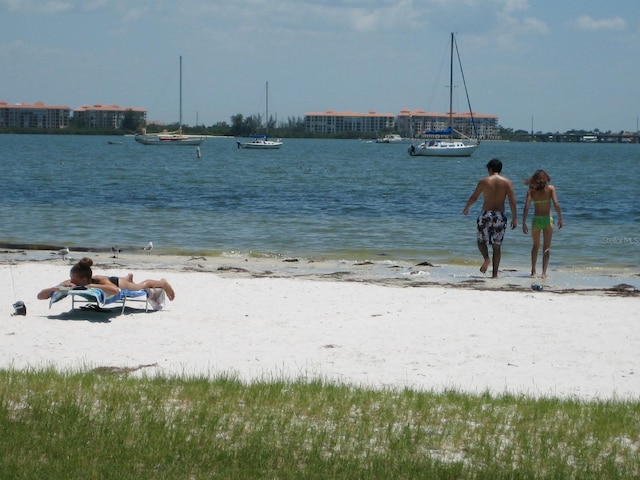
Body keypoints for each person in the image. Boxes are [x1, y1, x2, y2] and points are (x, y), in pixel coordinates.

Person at [462, 158, 517, 278]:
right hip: (500, 216)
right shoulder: (507, 182)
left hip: (486, 214)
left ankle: (486, 259)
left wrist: (467, 208)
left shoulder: (484, 181)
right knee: (497, 246)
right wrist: (514, 218)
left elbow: (474, 197)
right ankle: (495, 275)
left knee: (481, 241)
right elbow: (512, 201)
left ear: (490, 169)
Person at [37, 257, 176, 301]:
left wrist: (92, 287)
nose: (71, 281)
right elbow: (40, 296)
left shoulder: (98, 282)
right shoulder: (71, 282)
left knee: (141, 285)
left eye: (74, 279)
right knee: (127, 280)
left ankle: (162, 283)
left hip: (117, 283)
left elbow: (115, 290)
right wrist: (53, 289)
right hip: (109, 280)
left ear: (84, 280)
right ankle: (128, 277)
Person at [522, 169, 563, 279]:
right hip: (547, 219)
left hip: (536, 220)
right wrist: (560, 218)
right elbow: (556, 204)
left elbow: (526, 207)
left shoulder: (531, 190)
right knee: (546, 247)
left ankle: (533, 270)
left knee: (535, 246)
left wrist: (524, 222)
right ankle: (544, 273)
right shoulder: (550, 189)